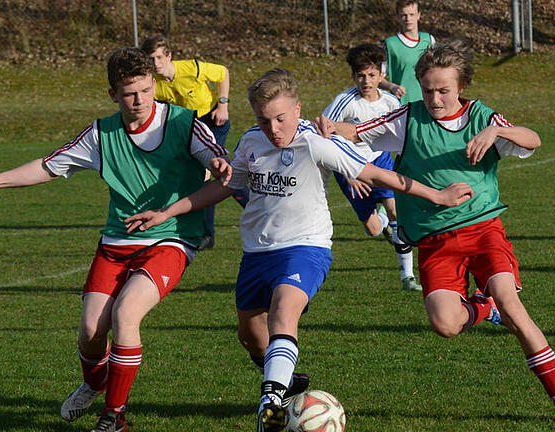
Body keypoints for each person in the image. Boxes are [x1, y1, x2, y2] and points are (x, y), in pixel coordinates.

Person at [124, 68, 473, 432]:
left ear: (297, 109)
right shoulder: (251, 142)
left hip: (307, 246)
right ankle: (284, 383)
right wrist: (168, 211)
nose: (274, 128)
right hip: (257, 253)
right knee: (251, 337)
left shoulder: (314, 141)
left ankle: (270, 407)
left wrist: (436, 195)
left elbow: (374, 173)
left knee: (283, 313)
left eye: (280, 118)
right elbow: (226, 187)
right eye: (264, 119)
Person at [314, 40, 555, 426]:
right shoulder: (408, 119)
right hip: (435, 242)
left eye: (443, 90)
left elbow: (533, 139)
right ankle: (483, 307)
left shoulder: (482, 118)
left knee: (513, 308)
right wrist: (332, 127)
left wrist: (497, 132)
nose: (435, 98)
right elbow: (358, 131)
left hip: (484, 231)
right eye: (427, 89)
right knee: (445, 324)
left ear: (460, 86)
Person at [0, 47, 232, 432]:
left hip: (170, 240)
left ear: (154, 85)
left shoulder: (184, 122)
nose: (138, 100)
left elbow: (220, 162)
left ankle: (114, 416)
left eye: (144, 90)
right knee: (90, 333)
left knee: (126, 314)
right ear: (113, 95)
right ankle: (95, 383)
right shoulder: (101, 134)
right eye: (128, 93)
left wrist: (218, 163)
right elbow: (48, 166)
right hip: (116, 244)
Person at [322, 43, 421, 291]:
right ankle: (383, 222)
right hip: (350, 167)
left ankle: (408, 277)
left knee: (397, 211)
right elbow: (323, 134)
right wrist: (348, 173)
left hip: (380, 160)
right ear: (354, 76)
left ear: (381, 75)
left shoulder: (389, 101)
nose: (366, 80)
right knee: (374, 229)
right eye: (361, 75)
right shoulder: (344, 102)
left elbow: (402, 134)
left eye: (372, 75)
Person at [142, 35, 249, 250]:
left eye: (159, 57)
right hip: (190, 130)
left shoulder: (191, 68)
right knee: (198, 179)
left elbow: (223, 73)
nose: (156, 64)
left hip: (213, 122)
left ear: (169, 56)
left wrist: (223, 106)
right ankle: (204, 233)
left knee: (213, 174)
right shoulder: (155, 84)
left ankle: (253, 207)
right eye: (151, 59)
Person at [380, 0, 435, 104]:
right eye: (404, 15)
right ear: (398, 17)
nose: (408, 19)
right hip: (401, 105)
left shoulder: (429, 40)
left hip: (428, 103)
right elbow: (377, 77)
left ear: (418, 15)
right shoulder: (390, 44)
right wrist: (392, 86)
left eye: (411, 14)